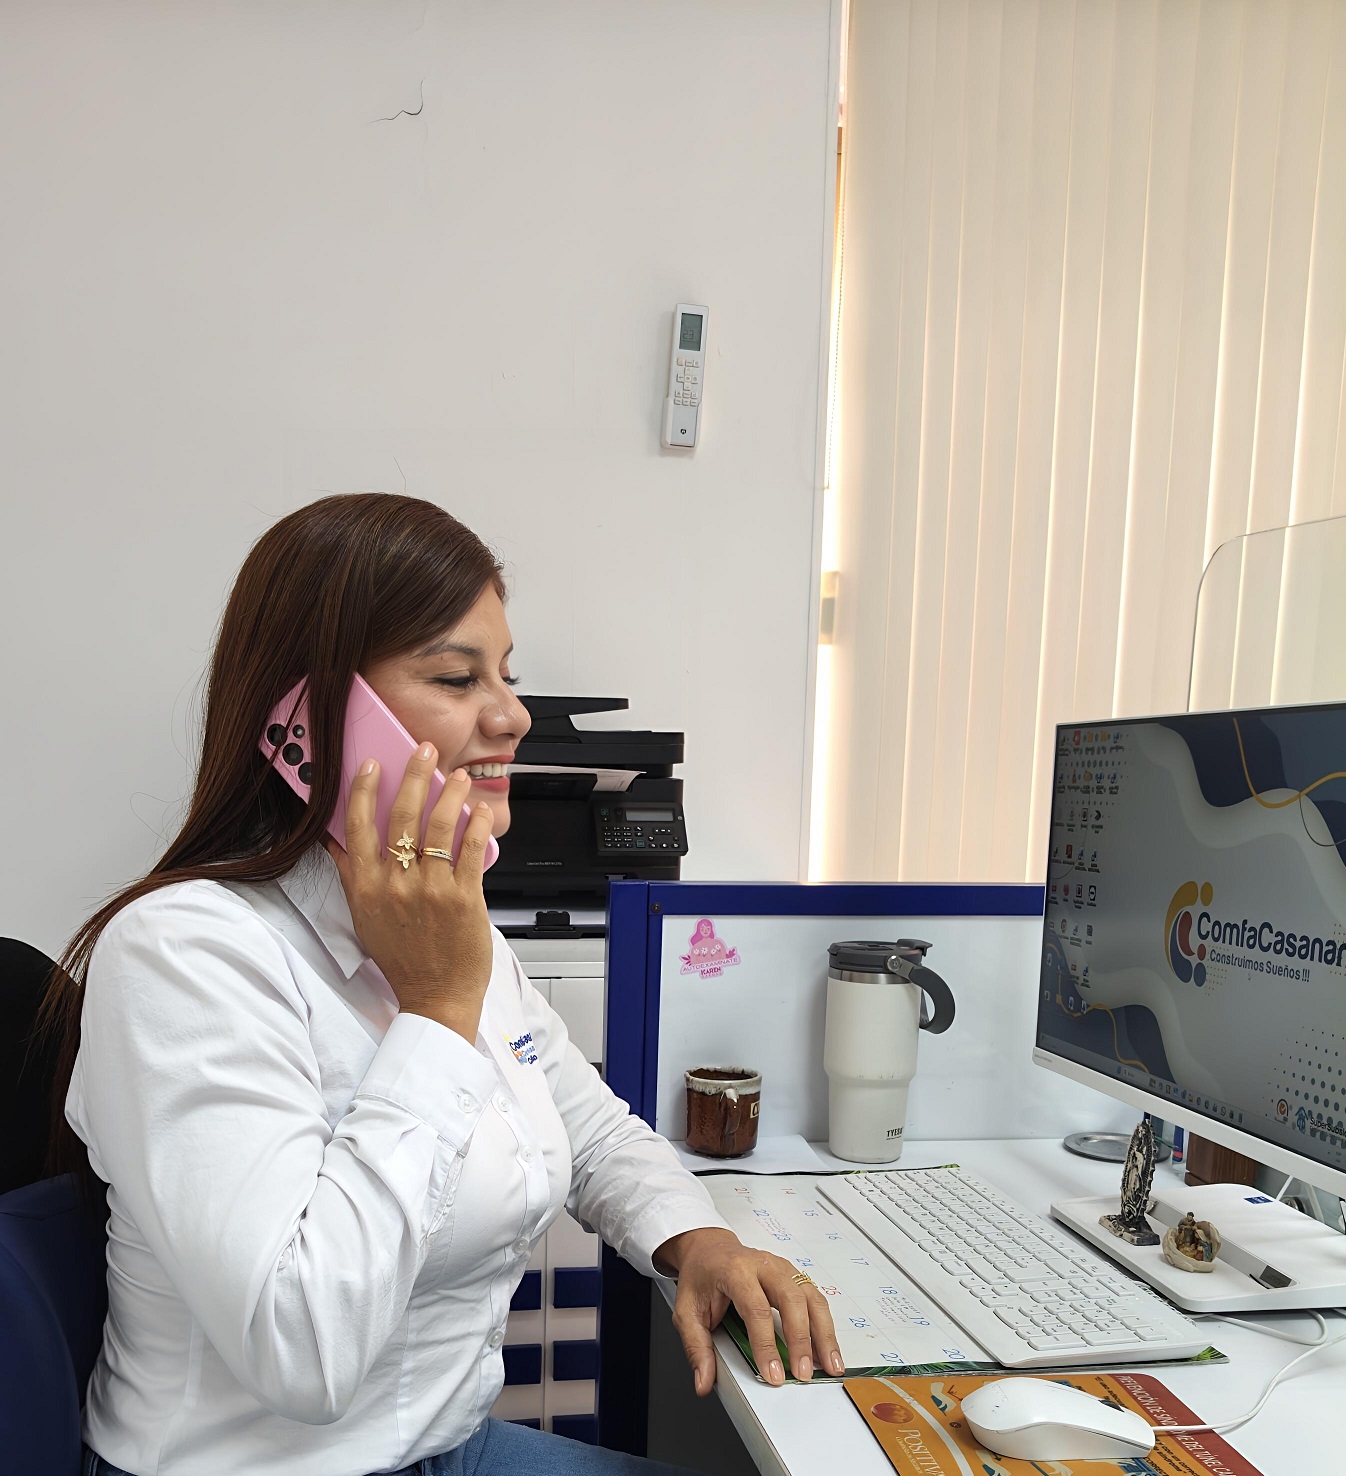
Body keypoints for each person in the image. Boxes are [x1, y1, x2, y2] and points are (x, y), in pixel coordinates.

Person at [39, 494, 841, 1476]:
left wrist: (696, 1239)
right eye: (459, 678)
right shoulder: (184, 955)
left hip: (448, 1448)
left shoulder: (457, 929)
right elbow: (300, 1348)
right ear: (309, 719)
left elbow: (588, 1130)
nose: (513, 716)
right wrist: (435, 1010)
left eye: (507, 675)